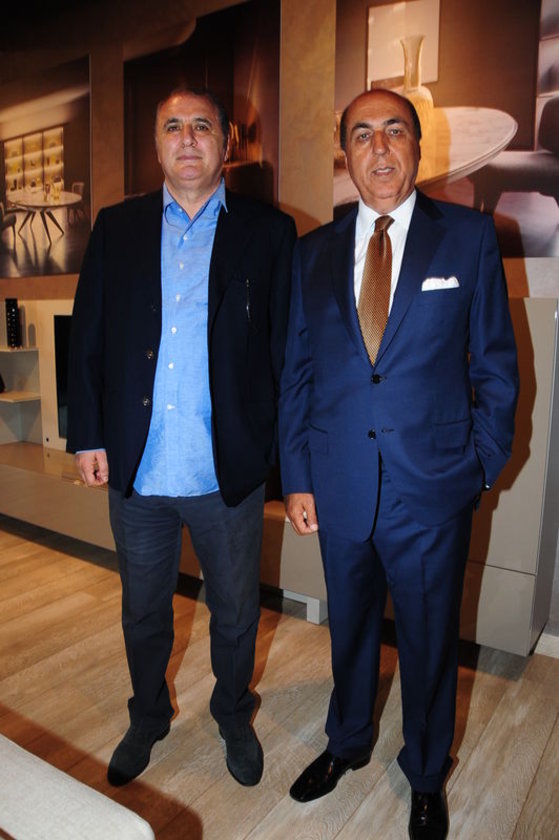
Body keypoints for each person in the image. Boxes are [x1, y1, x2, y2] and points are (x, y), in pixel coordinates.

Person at [278, 88, 518, 840]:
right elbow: (298, 374)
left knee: (428, 641)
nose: (378, 148)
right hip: (340, 482)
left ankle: (424, 772)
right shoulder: (311, 252)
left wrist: (479, 467)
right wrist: (297, 476)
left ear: (417, 146)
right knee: (347, 631)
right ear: (345, 155)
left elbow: (496, 367)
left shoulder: (468, 239)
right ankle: (347, 742)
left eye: (393, 132)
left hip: (433, 488)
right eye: (361, 135)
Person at [67, 86, 296, 788]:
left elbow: (285, 352)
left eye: (202, 126)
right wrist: (87, 435)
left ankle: (232, 712)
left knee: (236, 611)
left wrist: (285, 462)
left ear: (226, 143)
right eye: (173, 126)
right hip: (139, 467)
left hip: (227, 470)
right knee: (142, 611)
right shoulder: (117, 227)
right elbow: (88, 338)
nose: (187, 138)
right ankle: (148, 715)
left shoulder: (269, 231)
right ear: (157, 144)